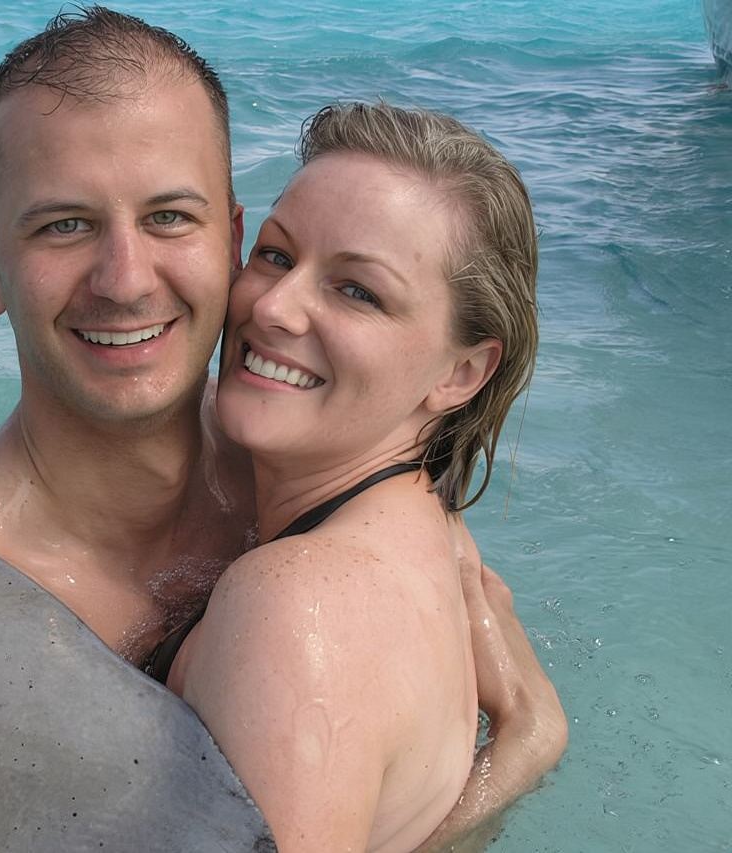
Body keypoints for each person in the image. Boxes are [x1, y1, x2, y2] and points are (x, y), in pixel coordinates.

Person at [0, 7, 566, 849]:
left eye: (169, 217)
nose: (125, 280)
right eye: (64, 224)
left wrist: (527, 740)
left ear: (226, 239)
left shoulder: (307, 468)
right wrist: (525, 747)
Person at [161, 102, 549, 852]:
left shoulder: (298, 604)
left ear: (463, 371)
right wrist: (528, 738)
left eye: (358, 291)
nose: (272, 307)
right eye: (275, 254)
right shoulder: (429, 514)